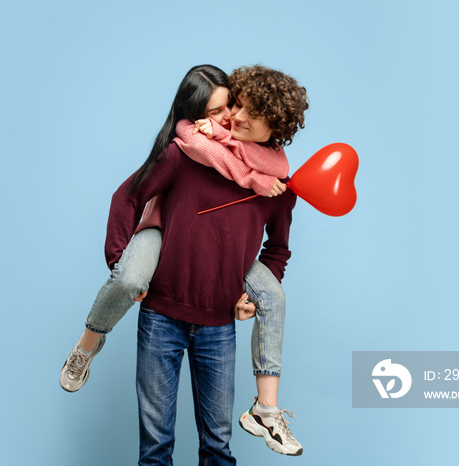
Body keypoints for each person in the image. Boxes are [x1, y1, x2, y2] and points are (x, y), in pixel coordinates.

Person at [62, 64, 308, 461]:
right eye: (233, 107)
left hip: (219, 328)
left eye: (249, 112)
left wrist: (252, 294)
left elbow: (277, 249)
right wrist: (121, 263)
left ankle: (266, 410)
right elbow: (128, 197)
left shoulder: (277, 189)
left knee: (218, 448)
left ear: (275, 125)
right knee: (156, 447)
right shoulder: (188, 153)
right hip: (161, 318)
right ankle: (88, 343)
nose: (235, 117)